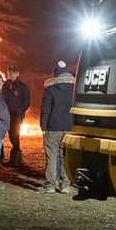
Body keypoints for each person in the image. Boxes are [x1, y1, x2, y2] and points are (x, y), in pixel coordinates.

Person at [40, 61, 75, 194]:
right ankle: (65, 185)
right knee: (65, 157)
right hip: (69, 127)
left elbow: (45, 109)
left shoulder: (50, 88)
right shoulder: (74, 87)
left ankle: (50, 185)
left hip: (52, 127)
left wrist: (43, 126)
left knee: (51, 156)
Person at [2, 66, 31, 167]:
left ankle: (16, 157)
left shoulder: (23, 87)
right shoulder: (5, 85)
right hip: (7, 114)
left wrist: (20, 111)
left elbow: (27, 101)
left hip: (18, 115)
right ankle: (16, 157)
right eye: (9, 73)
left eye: (13, 73)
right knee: (11, 133)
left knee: (15, 133)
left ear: (17, 73)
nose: (11, 75)